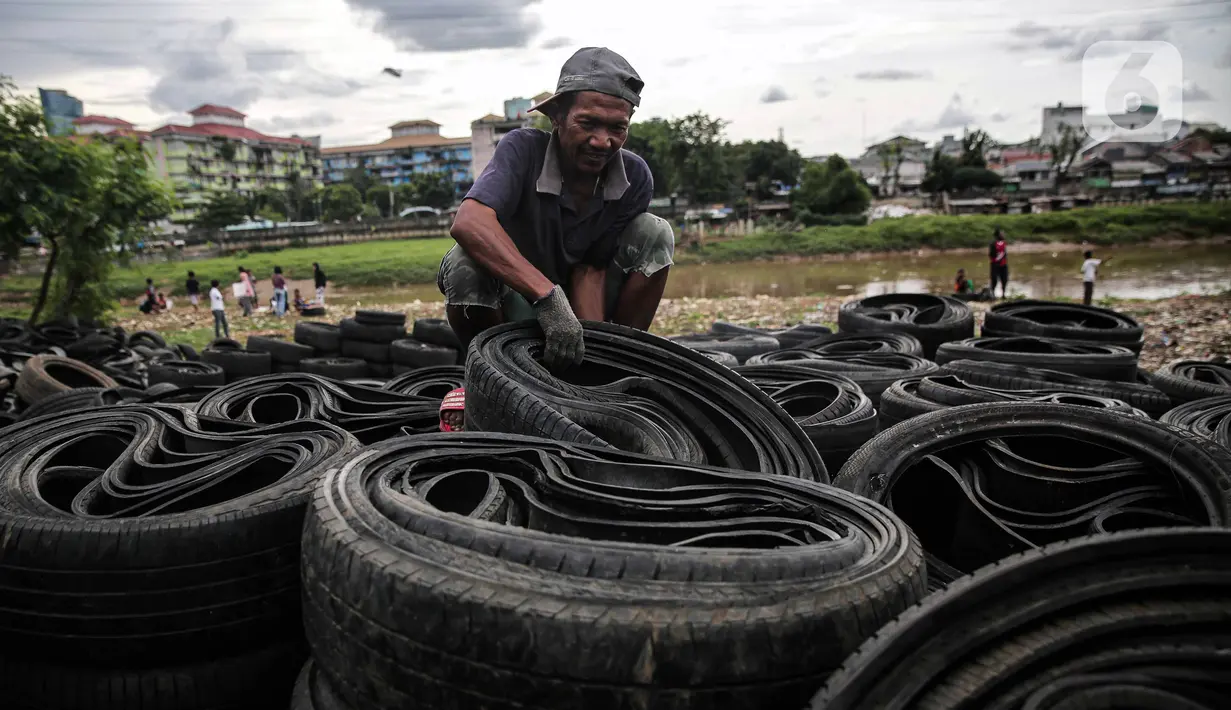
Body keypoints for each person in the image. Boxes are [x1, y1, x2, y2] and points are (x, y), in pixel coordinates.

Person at [440, 46, 674, 370]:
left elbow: (591, 269)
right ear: (558, 117)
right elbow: (469, 222)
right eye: (588, 123)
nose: (602, 141)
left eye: (617, 128)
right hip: (519, 305)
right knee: (462, 262)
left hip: (577, 309)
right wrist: (548, 299)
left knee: (655, 232)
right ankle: (492, 374)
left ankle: (615, 362)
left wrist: (589, 351)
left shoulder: (634, 177)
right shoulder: (521, 150)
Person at [989, 228, 1009, 299]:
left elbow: (1005, 253)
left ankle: (1003, 294)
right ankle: (993, 294)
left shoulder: (1004, 243)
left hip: (1003, 265)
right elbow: (991, 255)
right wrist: (996, 261)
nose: (1003, 234)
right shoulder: (993, 243)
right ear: (998, 235)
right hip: (995, 265)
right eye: (1001, 233)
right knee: (994, 280)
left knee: (1004, 279)